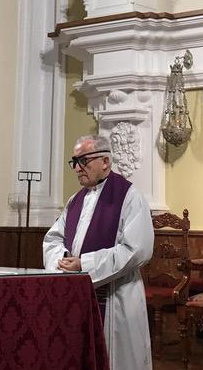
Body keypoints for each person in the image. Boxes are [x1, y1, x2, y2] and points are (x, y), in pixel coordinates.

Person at [43, 135, 154, 370]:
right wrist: (61, 260)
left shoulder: (130, 197)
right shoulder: (75, 201)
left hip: (116, 297)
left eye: (83, 160)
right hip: (78, 297)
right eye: (74, 162)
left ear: (105, 161)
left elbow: (137, 250)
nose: (77, 168)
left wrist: (84, 264)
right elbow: (53, 239)